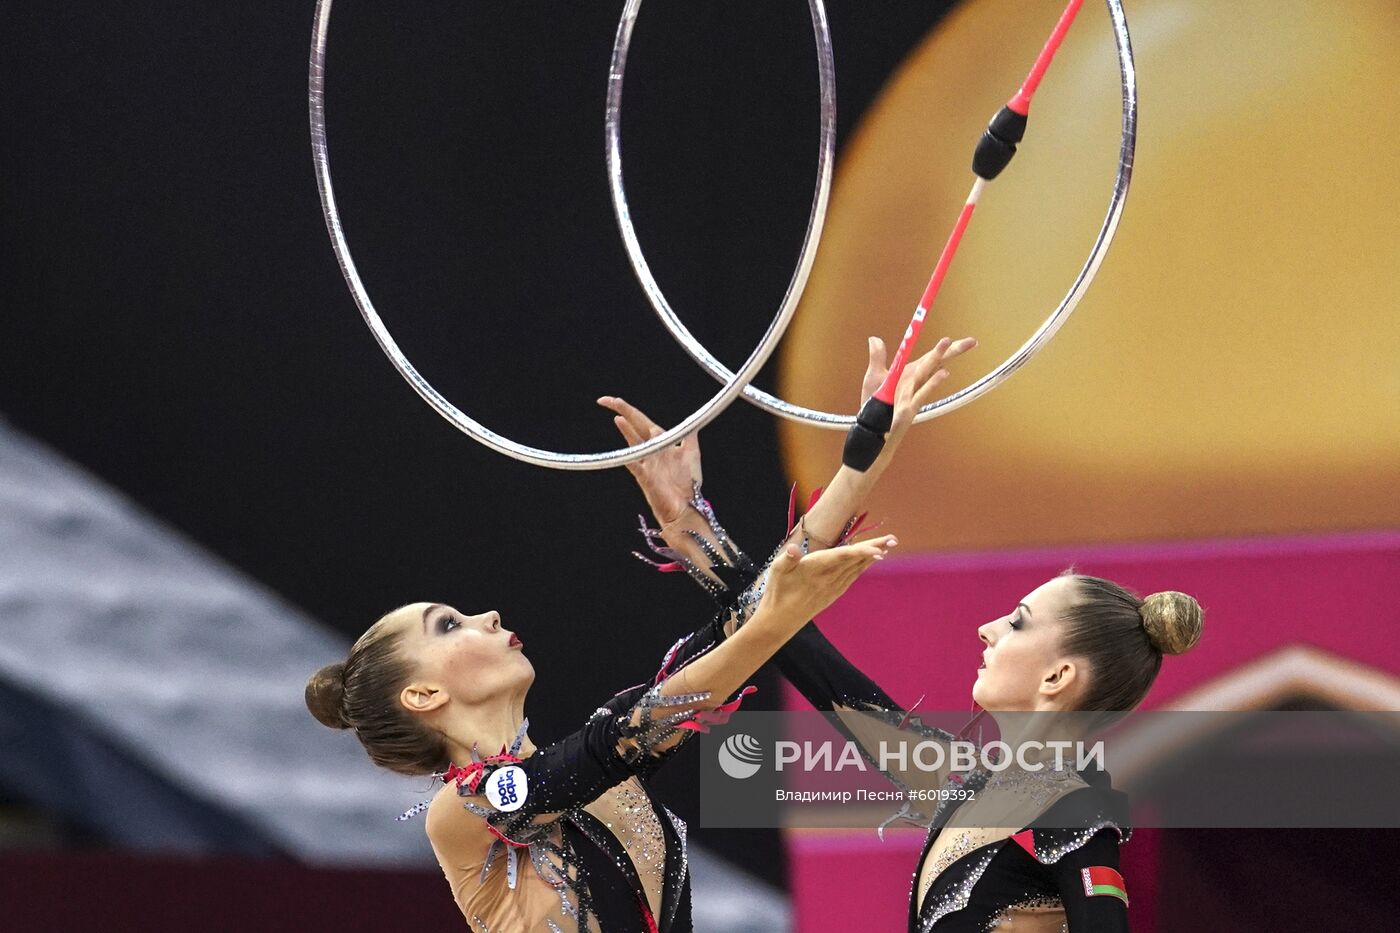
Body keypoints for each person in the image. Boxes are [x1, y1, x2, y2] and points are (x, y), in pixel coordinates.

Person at [302, 334, 973, 932]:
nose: (489, 618)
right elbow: (625, 734)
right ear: (420, 694)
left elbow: (720, 646)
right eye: (448, 625)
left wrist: (856, 465)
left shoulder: (609, 773)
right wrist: (768, 621)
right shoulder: (464, 811)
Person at [617, 335, 1202, 932]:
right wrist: (687, 523)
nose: (987, 629)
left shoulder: (1073, 810)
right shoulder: (955, 780)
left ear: (1058, 676)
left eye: (1018, 621)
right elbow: (792, 644)